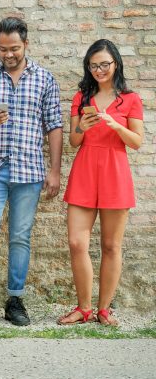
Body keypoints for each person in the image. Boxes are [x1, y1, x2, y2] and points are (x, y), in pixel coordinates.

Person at [0, 16, 62, 328]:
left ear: (26, 44)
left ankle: (14, 301)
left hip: (30, 171)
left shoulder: (45, 79)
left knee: (20, 238)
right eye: (2, 49)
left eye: (14, 48)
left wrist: (55, 170)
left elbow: (54, 126)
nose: (8, 54)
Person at [58, 39, 143, 326]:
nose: (99, 70)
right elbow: (73, 141)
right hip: (85, 168)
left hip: (115, 170)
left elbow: (137, 142)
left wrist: (116, 124)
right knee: (76, 242)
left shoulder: (130, 99)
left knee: (111, 245)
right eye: (93, 65)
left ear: (115, 63)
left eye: (104, 64)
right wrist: (83, 126)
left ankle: (104, 309)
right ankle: (83, 308)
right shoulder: (81, 97)